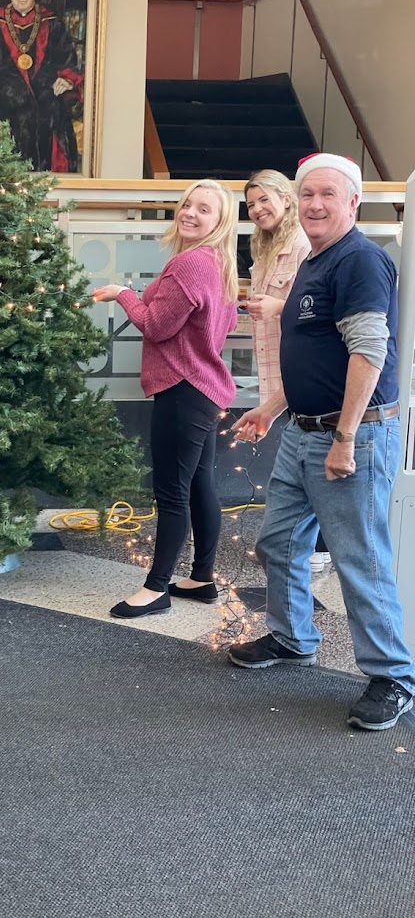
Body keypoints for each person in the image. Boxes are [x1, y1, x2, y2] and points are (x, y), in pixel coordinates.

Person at [230, 152, 415, 731]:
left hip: (347, 434)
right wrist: (271, 405)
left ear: (353, 203)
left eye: (327, 195)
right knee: (279, 541)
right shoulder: (316, 258)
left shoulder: (360, 260)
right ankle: (292, 638)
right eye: (307, 194)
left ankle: (393, 676)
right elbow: (316, 352)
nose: (314, 205)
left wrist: (345, 437)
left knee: (358, 559)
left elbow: (368, 352)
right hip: (300, 429)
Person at [92, 180, 239, 619]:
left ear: (220, 221)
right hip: (205, 389)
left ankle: (156, 589)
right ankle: (202, 578)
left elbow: (156, 326)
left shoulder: (191, 264)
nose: (190, 213)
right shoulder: (218, 261)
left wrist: (123, 294)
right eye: (187, 204)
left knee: (172, 492)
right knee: (198, 484)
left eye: (204, 209)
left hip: (183, 389)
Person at [243, 169, 330, 573]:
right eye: (251, 204)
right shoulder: (260, 246)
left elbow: (312, 306)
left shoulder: (301, 243)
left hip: (300, 362)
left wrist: (277, 307)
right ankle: (301, 545)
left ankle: (314, 547)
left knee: (310, 456)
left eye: (264, 200)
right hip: (276, 361)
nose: (257, 209)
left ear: (287, 199)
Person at [0, 0, 82, 172]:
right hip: (6, 86)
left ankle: (46, 175)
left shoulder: (52, 23)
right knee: (18, 101)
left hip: (45, 86)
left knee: (50, 106)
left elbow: (67, 59)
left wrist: (67, 79)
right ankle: (14, 176)